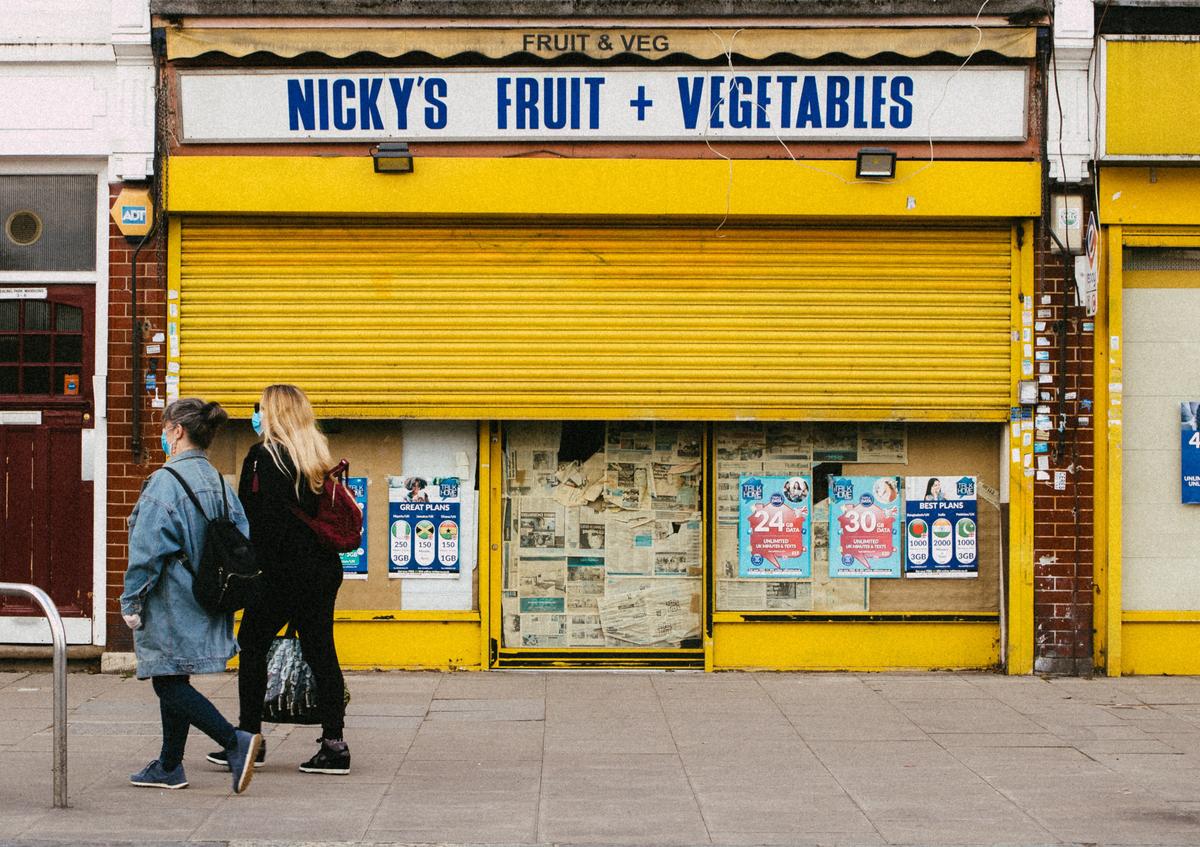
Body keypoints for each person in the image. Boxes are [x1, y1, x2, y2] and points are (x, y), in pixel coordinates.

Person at [120, 398, 262, 793]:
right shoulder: (218, 480)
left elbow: (146, 551)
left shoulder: (165, 482)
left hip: (170, 601)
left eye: (165, 429)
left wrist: (130, 602)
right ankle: (169, 765)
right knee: (173, 673)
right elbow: (241, 536)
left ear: (178, 431)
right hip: (206, 595)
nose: (163, 437)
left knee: (166, 681)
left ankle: (235, 741)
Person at [210, 383, 350, 775]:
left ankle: (249, 739)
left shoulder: (262, 457)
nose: (257, 415)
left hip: (279, 572)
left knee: (252, 645)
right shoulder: (316, 457)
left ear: (274, 414)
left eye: (261, 408)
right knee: (321, 651)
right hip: (321, 570)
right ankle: (335, 746)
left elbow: (253, 521)